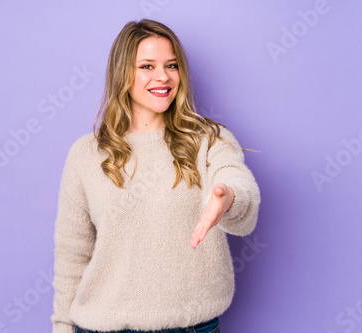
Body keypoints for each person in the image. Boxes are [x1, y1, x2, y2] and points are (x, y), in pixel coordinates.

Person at [51, 19, 261, 333]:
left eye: (172, 65)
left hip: (190, 327)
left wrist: (227, 197)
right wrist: (62, 327)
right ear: (123, 73)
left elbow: (235, 182)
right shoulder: (86, 155)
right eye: (147, 66)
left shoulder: (209, 140)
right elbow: (72, 255)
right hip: (99, 326)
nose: (163, 76)